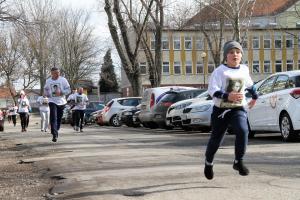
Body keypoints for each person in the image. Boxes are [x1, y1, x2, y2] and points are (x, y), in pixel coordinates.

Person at [204, 40, 258, 180]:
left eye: (238, 52)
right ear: (226, 56)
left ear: (241, 55)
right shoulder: (220, 71)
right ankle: (208, 163)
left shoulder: (244, 69)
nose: (235, 54)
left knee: (243, 130)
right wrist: (228, 96)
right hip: (221, 110)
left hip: (238, 108)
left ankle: (238, 161)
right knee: (216, 140)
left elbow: (250, 85)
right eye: (231, 52)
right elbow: (212, 90)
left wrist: (255, 97)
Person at [44, 67, 71, 142]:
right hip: (52, 101)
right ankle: (54, 134)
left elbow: (68, 90)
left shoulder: (63, 80)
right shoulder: (48, 81)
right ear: (52, 73)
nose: (58, 74)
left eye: (58, 72)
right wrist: (46, 94)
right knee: (53, 117)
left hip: (62, 101)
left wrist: (62, 93)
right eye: (56, 73)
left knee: (59, 118)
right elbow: (45, 89)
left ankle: (56, 129)